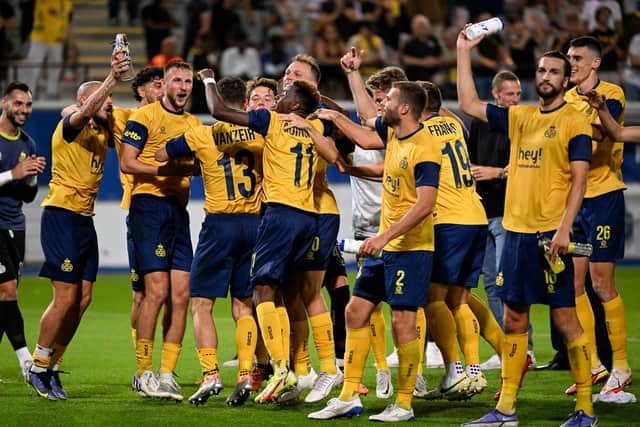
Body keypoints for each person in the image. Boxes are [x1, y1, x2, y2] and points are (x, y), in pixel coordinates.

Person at [457, 26, 596, 427]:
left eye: (554, 71)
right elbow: (468, 102)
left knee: (565, 320)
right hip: (515, 234)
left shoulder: (575, 122)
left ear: (566, 80)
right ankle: (505, 410)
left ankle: (586, 409)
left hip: (548, 235)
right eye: (541, 70)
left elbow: (580, 181)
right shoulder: (520, 116)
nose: (546, 76)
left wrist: (565, 228)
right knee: (514, 318)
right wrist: (463, 50)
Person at [199, 67, 338, 404]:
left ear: (294, 106)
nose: (278, 98)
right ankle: (312, 367)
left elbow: (218, 111)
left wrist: (208, 80)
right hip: (309, 217)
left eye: (284, 95)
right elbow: (334, 156)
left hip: (280, 215)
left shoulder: (273, 121)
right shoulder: (315, 126)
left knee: (262, 289)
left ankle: (281, 368)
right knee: (293, 293)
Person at [308, 78, 441, 422]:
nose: (383, 105)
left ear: (406, 108)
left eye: (389, 99)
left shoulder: (425, 147)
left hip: (411, 248)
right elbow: (374, 150)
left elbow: (426, 204)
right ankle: (350, 395)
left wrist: (384, 237)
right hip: (386, 244)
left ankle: (405, 402)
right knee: (355, 312)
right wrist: (351, 165)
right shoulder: (396, 134)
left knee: (402, 322)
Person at [28, 53, 130, 400]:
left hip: (85, 221)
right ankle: (38, 365)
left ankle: (54, 364)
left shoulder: (101, 131)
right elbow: (78, 113)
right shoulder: (70, 125)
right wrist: (112, 78)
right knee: (66, 296)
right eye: (106, 100)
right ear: (86, 101)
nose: (111, 105)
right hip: (62, 216)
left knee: (83, 299)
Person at [157, 76, 263, 407]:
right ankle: (246, 372)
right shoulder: (261, 133)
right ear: (245, 105)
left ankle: (210, 374)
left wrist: (197, 163)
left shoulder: (202, 133)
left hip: (220, 224)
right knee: (244, 304)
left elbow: (162, 154)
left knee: (201, 303)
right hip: (256, 223)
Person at [312, 65, 408, 400]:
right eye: (376, 99)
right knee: (370, 304)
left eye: (384, 99)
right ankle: (382, 370)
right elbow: (350, 127)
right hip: (366, 225)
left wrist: (351, 166)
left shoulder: (395, 131)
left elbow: (379, 161)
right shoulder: (359, 131)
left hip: (395, 227)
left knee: (406, 305)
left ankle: (425, 371)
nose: (380, 105)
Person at [120, 61, 202, 401]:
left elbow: (200, 164)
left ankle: (167, 372)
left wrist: (184, 167)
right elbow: (127, 161)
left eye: (188, 81)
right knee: (155, 293)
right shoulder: (144, 117)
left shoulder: (194, 124)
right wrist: (163, 169)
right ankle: (144, 372)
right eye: (177, 80)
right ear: (165, 84)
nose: (183, 87)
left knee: (181, 295)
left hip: (177, 212)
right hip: (148, 209)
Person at [565, 35, 630, 395]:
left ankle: (620, 365)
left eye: (578, 58)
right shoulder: (566, 98)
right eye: (569, 58)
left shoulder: (611, 93)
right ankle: (593, 364)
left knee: (602, 284)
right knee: (574, 285)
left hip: (603, 197)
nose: (572, 63)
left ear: (595, 63)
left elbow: (599, 137)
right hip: (575, 203)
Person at [467, 71, 536, 370]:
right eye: (509, 94)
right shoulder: (480, 123)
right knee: (492, 285)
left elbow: (528, 165)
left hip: (509, 214)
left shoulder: (522, 122)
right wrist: (473, 171)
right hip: (483, 211)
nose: (515, 99)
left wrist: (495, 172)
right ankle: (505, 347)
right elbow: (468, 160)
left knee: (508, 284)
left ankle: (527, 350)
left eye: (518, 94)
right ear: (495, 95)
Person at [110, 66, 167, 393]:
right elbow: (76, 107)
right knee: (143, 293)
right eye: (156, 84)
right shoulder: (126, 116)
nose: (162, 88)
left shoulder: (175, 115)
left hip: (169, 210)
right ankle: (142, 365)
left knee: (168, 292)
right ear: (141, 89)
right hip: (141, 210)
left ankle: (157, 367)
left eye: (164, 83)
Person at [0, 81, 45, 381]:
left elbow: (28, 196)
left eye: (28, 105)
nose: (24, 110)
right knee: (7, 291)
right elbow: (11, 177)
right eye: (18, 103)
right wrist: (12, 174)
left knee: (4, 295)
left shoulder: (28, 143)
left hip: (15, 225)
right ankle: (27, 362)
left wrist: (30, 179)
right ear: (4, 103)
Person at [21, 0, 73, 99]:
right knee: (33, 67)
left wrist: (70, 44)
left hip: (57, 40)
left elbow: (68, 23)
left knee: (55, 68)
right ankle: (28, 93)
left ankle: (52, 92)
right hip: (39, 38)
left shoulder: (67, 3)